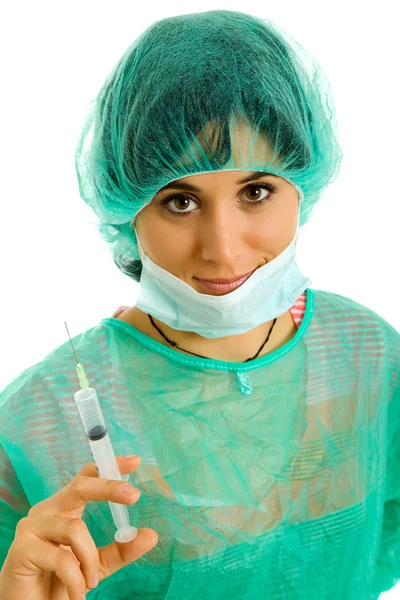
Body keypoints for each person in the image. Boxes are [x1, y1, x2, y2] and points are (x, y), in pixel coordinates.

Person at [1, 9, 399, 600]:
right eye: (180, 201)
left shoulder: (367, 354)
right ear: (127, 205)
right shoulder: (37, 423)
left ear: (302, 188)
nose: (223, 248)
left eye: (256, 191)